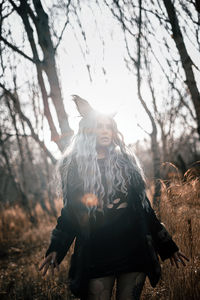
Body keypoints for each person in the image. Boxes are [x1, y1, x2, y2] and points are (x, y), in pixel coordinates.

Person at [39, 95, 188, 300]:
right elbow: (71, 214)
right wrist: (56, 247)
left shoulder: (126, 163)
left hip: (133, 248)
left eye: (108, 127)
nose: (105, 131)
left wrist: (167, 245)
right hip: (97, 252)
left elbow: (144, 210)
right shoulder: (76, 168)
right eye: (99, 126)